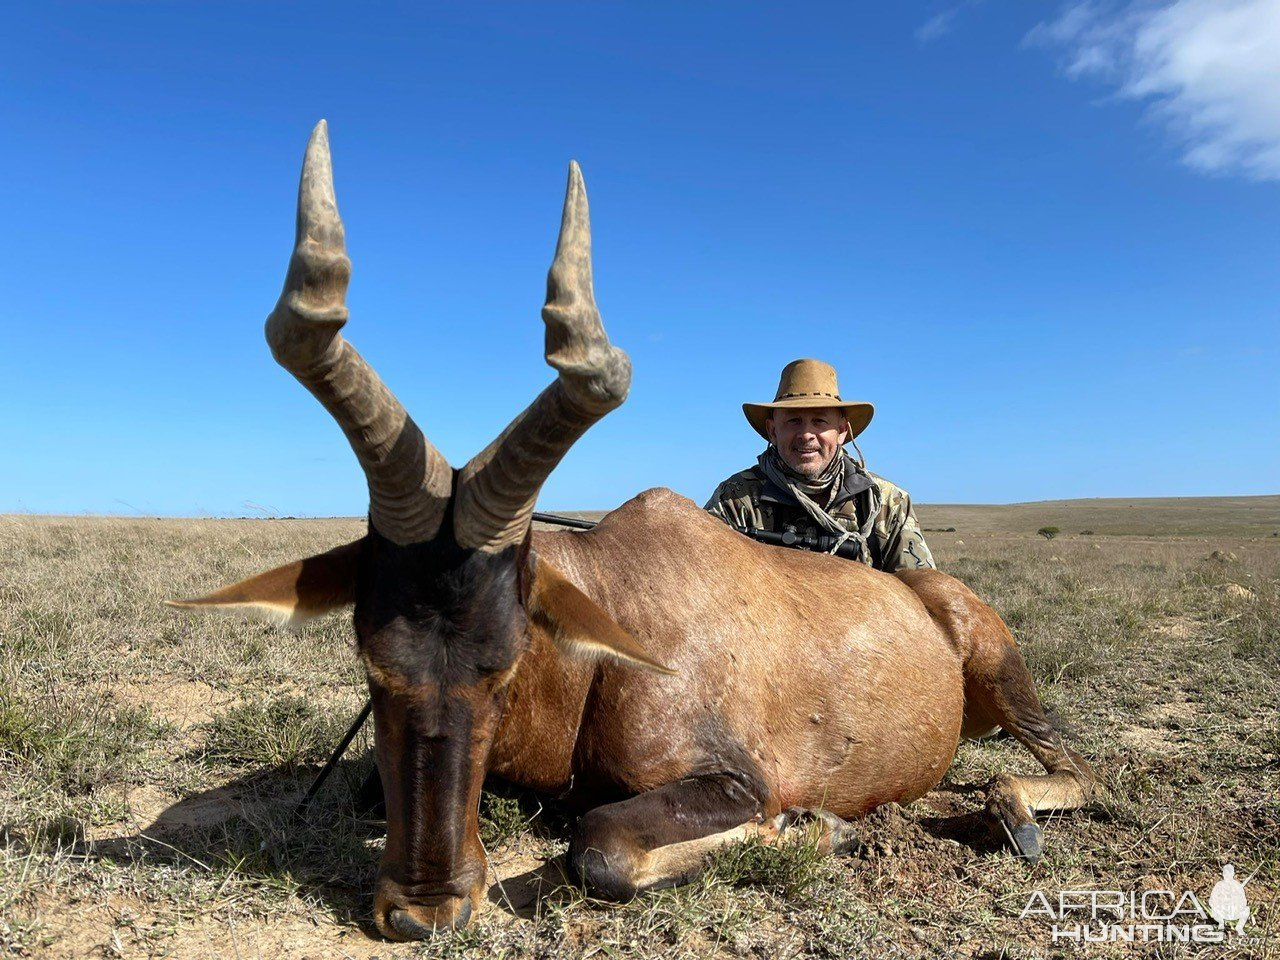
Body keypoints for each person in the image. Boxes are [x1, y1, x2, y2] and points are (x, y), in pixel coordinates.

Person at [705, 358, 935, 572]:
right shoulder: (734, 500)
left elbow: (920, 591)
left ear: (842, 431)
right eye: (793, 421)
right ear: (773, 431)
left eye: (819, 421)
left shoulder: (886, 502)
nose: (806, 435)